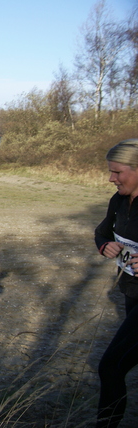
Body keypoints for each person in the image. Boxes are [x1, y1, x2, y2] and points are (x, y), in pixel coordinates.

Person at [95, 138, 138, 428]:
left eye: (118, 172)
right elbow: (102, 231)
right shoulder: (120, 200)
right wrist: (105, 245)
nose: (112, 178)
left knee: (111, 366)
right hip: (131, 293)